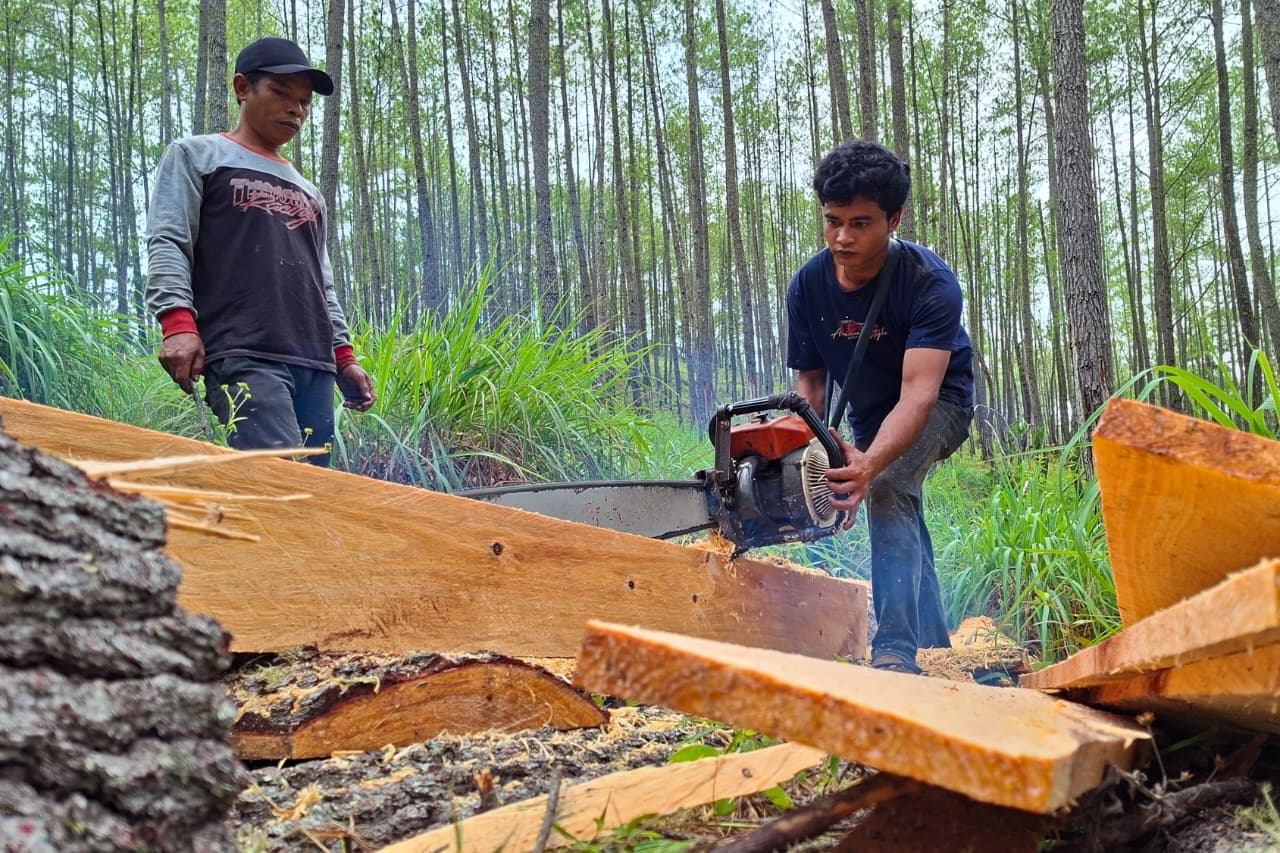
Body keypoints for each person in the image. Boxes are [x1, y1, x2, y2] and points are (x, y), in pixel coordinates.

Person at [786, 140, 975, 674]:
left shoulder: (929, 283)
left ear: (894, 219)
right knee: (900, 497)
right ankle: (936, 641)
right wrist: (812, 461)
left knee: (890, 483)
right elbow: (811, 388)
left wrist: (868, 465)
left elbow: (920, 394)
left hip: (942, 405)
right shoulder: (807, 286)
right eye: (833, 221)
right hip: (869, 414)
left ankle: (895, 648)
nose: (843, 237)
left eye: (862, 223)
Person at [145, 36, 375, 467]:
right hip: (244, 352)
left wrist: (343, 358)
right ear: (242, 88)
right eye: (281, 94)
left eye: (305, 102)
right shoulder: (198, 156)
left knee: (317, 496)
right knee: (284, 480)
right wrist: (177, 323)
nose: (296, 110)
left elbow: (320, 283)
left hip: (313, 362)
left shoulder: (309, 192)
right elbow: (169, 240)